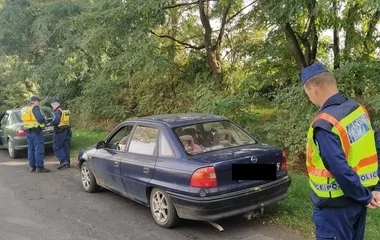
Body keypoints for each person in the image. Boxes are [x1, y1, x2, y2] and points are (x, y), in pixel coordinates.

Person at [301, 62, 380, 240]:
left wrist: (366, 197)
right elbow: (376, 149)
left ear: (313, 89)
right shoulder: (359, 110)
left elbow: (339, 169)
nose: (309, 97)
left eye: (307, 93)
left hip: (334, 209)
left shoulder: (325, 123)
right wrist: (374, 190)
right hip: (358, 202)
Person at [21, 96, 50, 173]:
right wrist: (44, 119)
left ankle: (32, 166)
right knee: (39, 149)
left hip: (28, 132)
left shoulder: (25, 109)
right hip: (36, 132)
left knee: (30, 149)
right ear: (35, 101)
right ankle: (39, 167)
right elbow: (40, 119)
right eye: (39, 101)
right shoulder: (35, 108)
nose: (39, 103)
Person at [47, 97, 71, 169]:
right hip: (67, 130)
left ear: (54, 104)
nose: (52, 107)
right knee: (65, 147)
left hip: (60, 131)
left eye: (52, 106)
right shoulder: (65, 110)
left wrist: (50, 124)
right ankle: (67, 162)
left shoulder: (58, 111)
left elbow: (56, 121)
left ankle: (63, 161)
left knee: (56, 147)